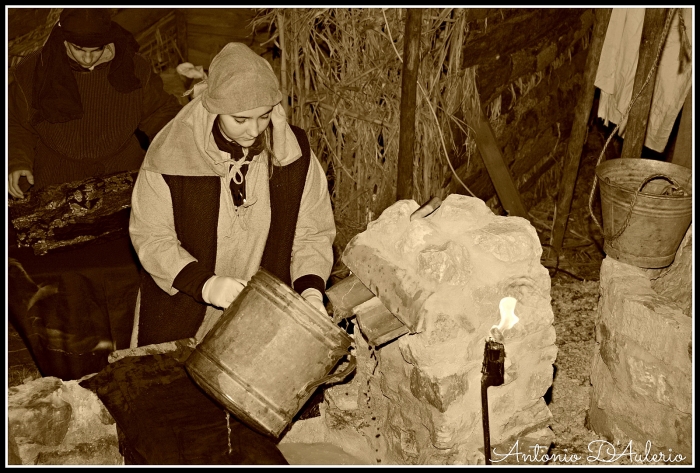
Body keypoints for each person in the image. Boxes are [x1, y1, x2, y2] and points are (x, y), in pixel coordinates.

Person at [129, 42, 336, 348]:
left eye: (264, 116)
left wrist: (311, 290)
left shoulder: (294, 154)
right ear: (214, 108)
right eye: (240, 120)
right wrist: (207, 286)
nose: (254, 130)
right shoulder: (172, 154)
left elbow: (311, 232)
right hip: (183, 308)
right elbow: (152, 236)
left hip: (262, 318)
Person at [8, 8, 182, 199]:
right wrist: (18, 162)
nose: (88, 58)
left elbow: (160, 113)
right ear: (63, 40)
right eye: (79, 49)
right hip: (56, 173)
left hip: (122, 169)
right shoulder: (34, 71)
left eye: (97, 49)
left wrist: (178, 149)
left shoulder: (133, 68)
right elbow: (16, 124)